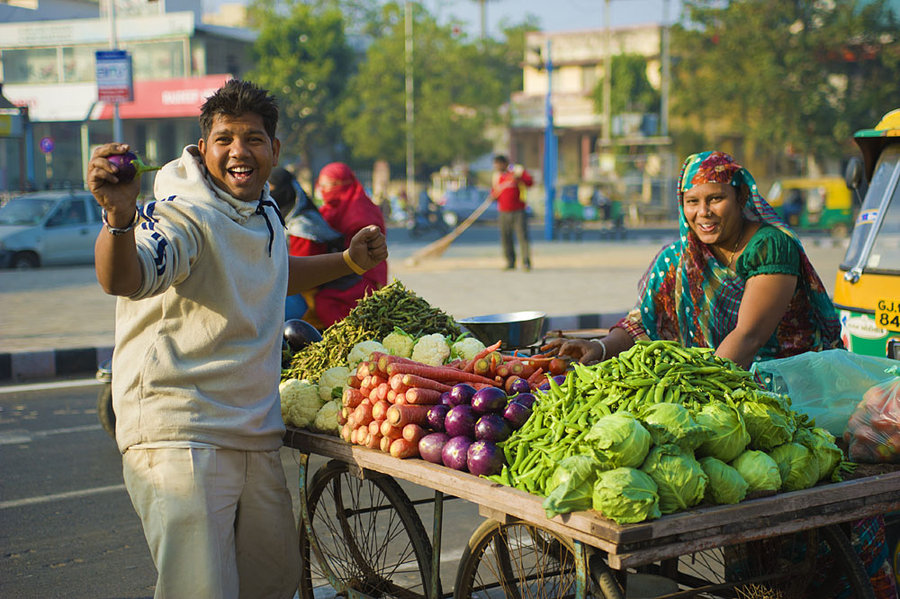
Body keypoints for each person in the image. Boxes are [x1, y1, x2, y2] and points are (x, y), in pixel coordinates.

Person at [546, 150, 896, 598]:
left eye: (715, 199)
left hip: (797, 403)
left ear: (740, 196)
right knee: (751, 536)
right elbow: (641, 325)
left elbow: (747, 337)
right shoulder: (680, 258)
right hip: (729, 402)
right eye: (692, 202)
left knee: (820, 534)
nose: (703, 213)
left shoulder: (770, 247)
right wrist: (596, 347)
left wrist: (689, 400)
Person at [87, 79, 387, 599]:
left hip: (252, 430)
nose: (238, 152)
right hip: (181, 433)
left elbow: (270, 272)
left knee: (271, 581)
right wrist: (118, 219)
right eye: (225, 139)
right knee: (200, 589)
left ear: (274, 150)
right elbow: (127, 278)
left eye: (252, 138)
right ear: (204, 149)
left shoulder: (262, 208)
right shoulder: (181, 214)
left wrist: (347, 262)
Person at [289, 162, 388, 329]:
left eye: (332, 185)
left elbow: (364, 253)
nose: (326, 190)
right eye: (323, 185)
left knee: (326, 302)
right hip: (342, 268)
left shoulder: (361, 212)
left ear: (347, 184)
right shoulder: (328, 209)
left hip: (363, 273)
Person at [491, 154, 533, 271]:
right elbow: (494, 192)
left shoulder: (518, 171)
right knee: (506, 237)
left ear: (504, 163)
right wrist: (493, 196)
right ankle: (510, 261)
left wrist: (518, 178)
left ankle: (526, 262)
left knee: (522, 237)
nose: (497, 167)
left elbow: (530, 183)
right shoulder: (497, 177)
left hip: (519, 211)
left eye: (498, 164)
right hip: (503, 211)